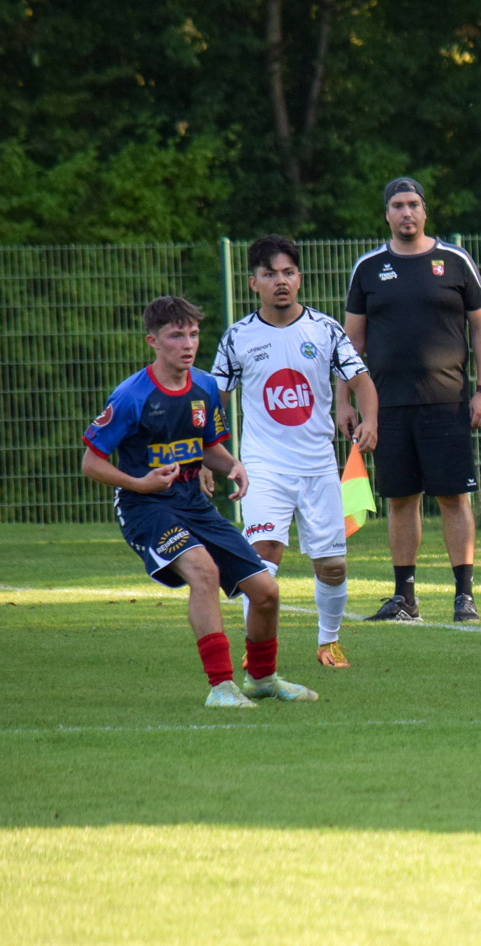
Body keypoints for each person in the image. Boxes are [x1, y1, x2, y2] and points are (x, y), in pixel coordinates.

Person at [80, 296, 318, 708]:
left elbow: (207, 446)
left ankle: (262, 680)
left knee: (266, 591)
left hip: (193, 503)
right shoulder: (131, 396)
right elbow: (91, 462)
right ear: (153, 341)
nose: (188, 344)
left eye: (193, 334)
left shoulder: (205, 386)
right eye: (176, 336)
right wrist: (140, 484)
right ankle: (221, 687)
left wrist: (233, 465)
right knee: (204, 571)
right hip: (145, 507)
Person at [211, 234, 379, 669]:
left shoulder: (325, 330)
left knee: (333, 565)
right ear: (254, 283)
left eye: (288, 272)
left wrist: (371, 420)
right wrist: (207, 455)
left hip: (318, 465)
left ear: (299, 278)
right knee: (263, 555)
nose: (280, 281)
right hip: (263, 466)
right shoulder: (238, 337)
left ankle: (329, 642)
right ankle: (256, 650)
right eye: (270, 274)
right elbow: (214, 401)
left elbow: (362, 382)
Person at [342, 176, 481, 624]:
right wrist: (344, 402)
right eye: (397, 205)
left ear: (425, 211)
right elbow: (350, 344)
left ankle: (464, 596)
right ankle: (404, 599)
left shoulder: (455, 261)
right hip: (387, 406)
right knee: (400, 499)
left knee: (453, 498)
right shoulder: (368, 268)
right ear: (386, 214)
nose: (406, 212)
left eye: (413, 204)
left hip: (447, 402)